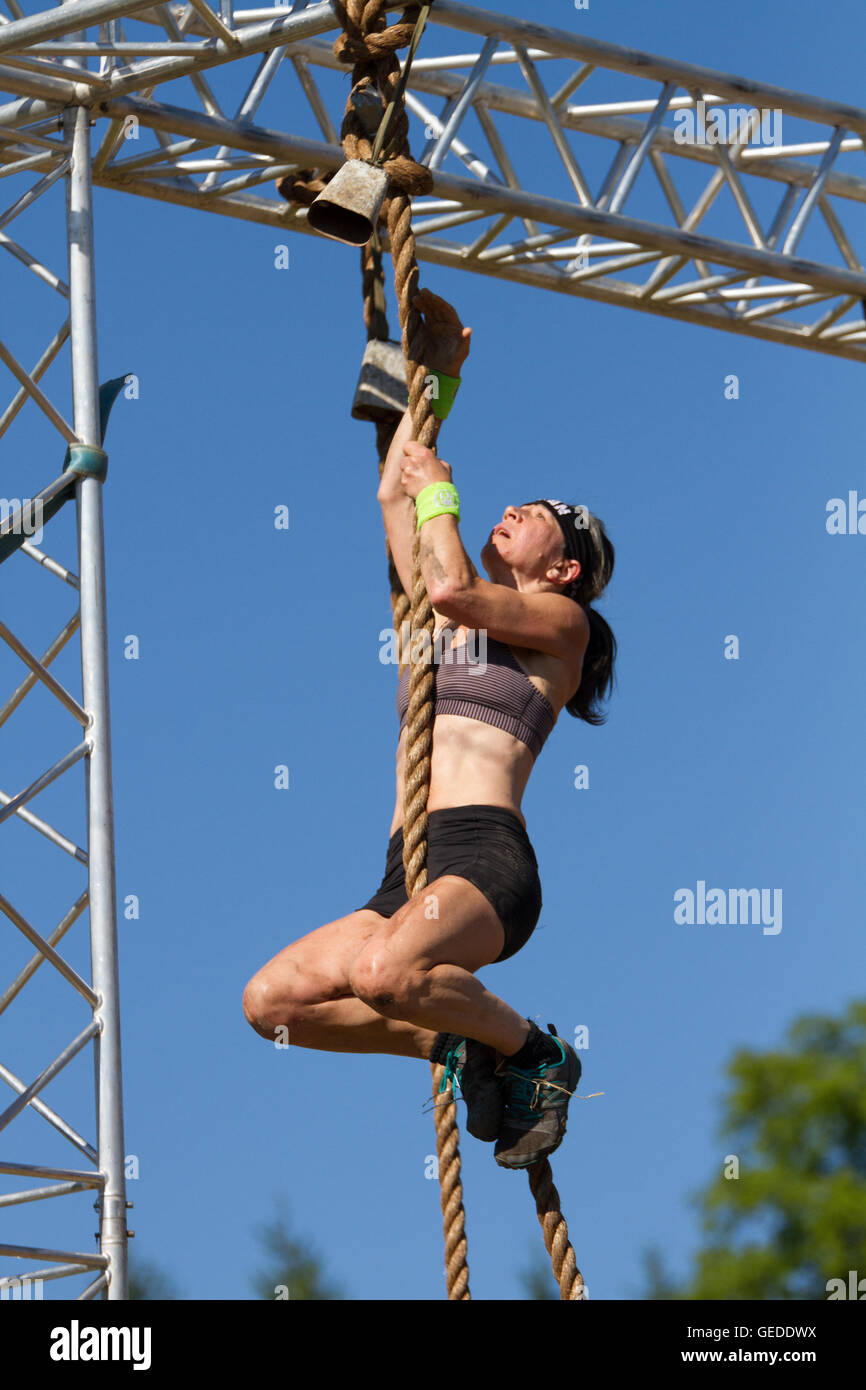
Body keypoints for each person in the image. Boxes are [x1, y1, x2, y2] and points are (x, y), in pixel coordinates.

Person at [243, 290, 617, 1169]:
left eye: (540, 517)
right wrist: (440, 381)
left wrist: (442, 492)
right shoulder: (450, 626)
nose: (515, 511)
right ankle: (463, 1044)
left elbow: (449, 589)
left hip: (486, 860)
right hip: (406, 864)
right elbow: (393, 490)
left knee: (382, 977)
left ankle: (534, 1051)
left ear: (562, 569)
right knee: (273, 1006)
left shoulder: (566, 629)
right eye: (514, 502)